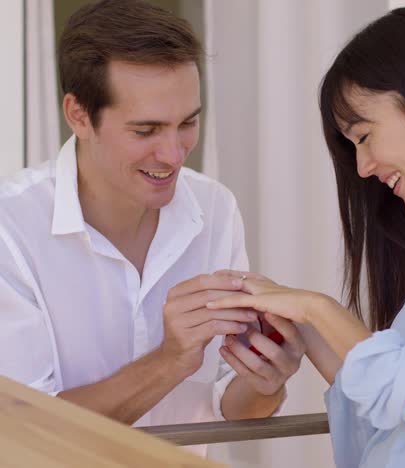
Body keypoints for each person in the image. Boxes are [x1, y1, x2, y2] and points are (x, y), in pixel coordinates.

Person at [0, 0, 305, 456]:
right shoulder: (11, 229)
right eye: (146, 131)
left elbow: (234, 407)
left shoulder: (215, 208)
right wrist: (171, 359)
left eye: (188, 123)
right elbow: (25, 433)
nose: (175, 154)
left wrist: (267, 379)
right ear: (79, 114)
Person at [206, 7, 405, 467]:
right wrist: (299, 323)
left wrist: (316, 308)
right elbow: (389, 399)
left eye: (364, 136)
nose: (363, 168)